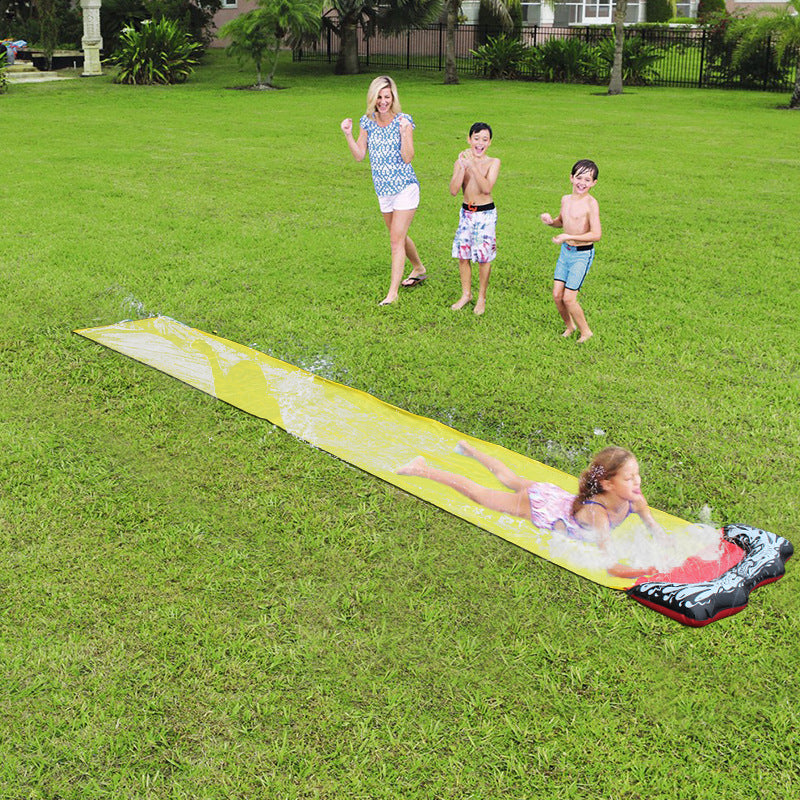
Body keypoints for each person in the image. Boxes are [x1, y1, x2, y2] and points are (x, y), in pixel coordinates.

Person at [398, 442, 664, 578]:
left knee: (509, 479)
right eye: (629, 479)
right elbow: (610, 566)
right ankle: (419, 469)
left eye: (637, 475)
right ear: (607, 484)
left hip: (554, 497)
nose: (637, 482)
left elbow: (656, 529)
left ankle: (468, 449)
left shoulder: (636, 501)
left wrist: (672, 548)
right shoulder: (599, 515)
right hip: (539, 507)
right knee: (479, 495)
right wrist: (645, 570)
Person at [340, 75, 426, 306]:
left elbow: (408, 158)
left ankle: (393, 294)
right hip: (383, 190)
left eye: (387, 96)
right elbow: (359, 155)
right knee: (398, 236)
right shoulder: (367, 121)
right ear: (373, 97)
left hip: (405, 187)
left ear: (393, 97)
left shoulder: (403, 121)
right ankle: (418, 267)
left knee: (395, 241)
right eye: (379, 96)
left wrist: (405, 133)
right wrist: (348, 134)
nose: (383, 101)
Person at [540, 159, 601, 343]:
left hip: (582, 255)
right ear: (571, 178)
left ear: (593, 183)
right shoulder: (565, 199)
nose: (582, 183)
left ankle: (586, 332)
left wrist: (568, 237)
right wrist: (551, 222)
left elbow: (596, 234)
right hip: (565, 253)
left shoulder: (591, 204)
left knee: (569, 298)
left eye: (588, 180)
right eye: (579, 177)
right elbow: (561, 222)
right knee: (557, 295)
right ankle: (570, 326)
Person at [449, 122, 501, 316]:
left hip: (485, 214)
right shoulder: (461, 161)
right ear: (469, 139)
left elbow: (487, 188)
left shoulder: (493, 162)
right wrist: (462, 167)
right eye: (476, 139)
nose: (480, 143)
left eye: (484, 140)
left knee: (483, 258)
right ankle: (466, 294)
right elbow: (454, 191)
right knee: (463, 256)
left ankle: (481, 297)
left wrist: (473, 165)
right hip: (466, 213)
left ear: (489, 143)